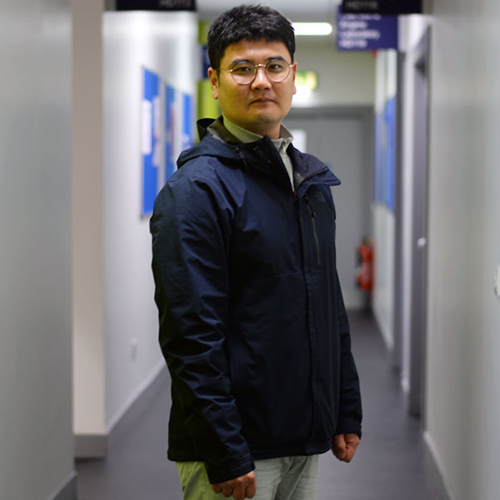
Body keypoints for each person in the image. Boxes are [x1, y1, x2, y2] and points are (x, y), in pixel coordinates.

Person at [150, 5, 362, 500]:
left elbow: (327, 306)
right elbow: (190, 334)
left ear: (292, 75)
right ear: (216, 82)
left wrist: (342, 408)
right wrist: (224, 447)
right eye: (242, 68)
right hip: (238, 448)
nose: (261, 81)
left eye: (274, 65)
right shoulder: (197, 191)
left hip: (302, 435)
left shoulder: (308, 183)